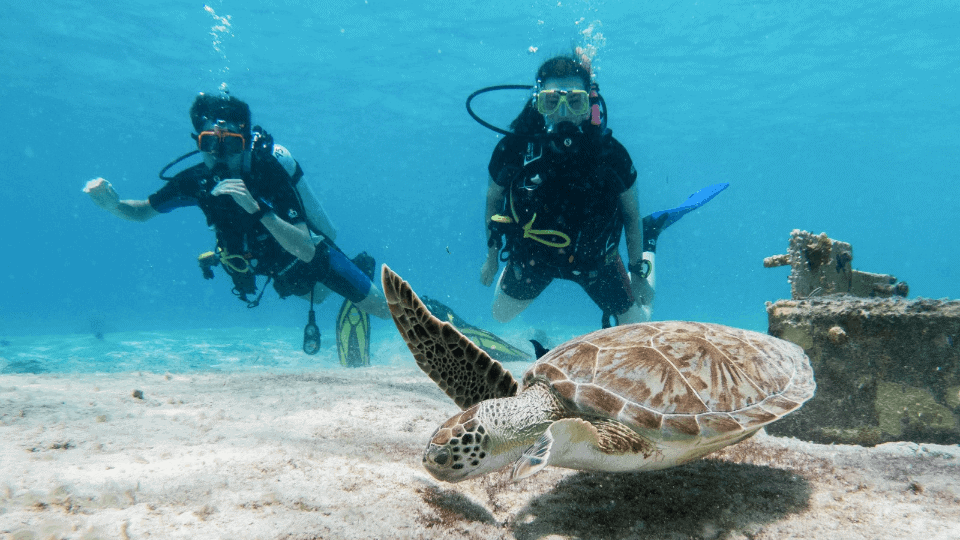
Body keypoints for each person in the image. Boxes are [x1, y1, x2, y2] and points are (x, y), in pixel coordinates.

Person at [84, 91, 390, 329]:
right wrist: (113, 204)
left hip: (307, 252)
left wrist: (257, 209)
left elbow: (307, 249)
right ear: (198, 143)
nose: (218, 157)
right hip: (273, 266)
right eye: (208, 144)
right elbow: (142, 211)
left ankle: (430, 314)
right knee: (319, 296)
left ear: (244, 143)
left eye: (229, 145)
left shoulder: (267, 172)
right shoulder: (197, 182)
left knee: (385, 312)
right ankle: (353, 277)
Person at [479, 53, 655, 327]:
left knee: (638, 327)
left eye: (574, 102)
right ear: (538, 103)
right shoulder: (513, 149)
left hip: (597, 264)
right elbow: (494, 201)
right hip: (534, 259)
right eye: (552, 101)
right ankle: (509, 275)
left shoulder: (612, 156)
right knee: (499, 315)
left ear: (589, 106)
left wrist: (639, 276)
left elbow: (632, 216)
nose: (563, 113)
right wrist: (492, 258)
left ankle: (650, 240)